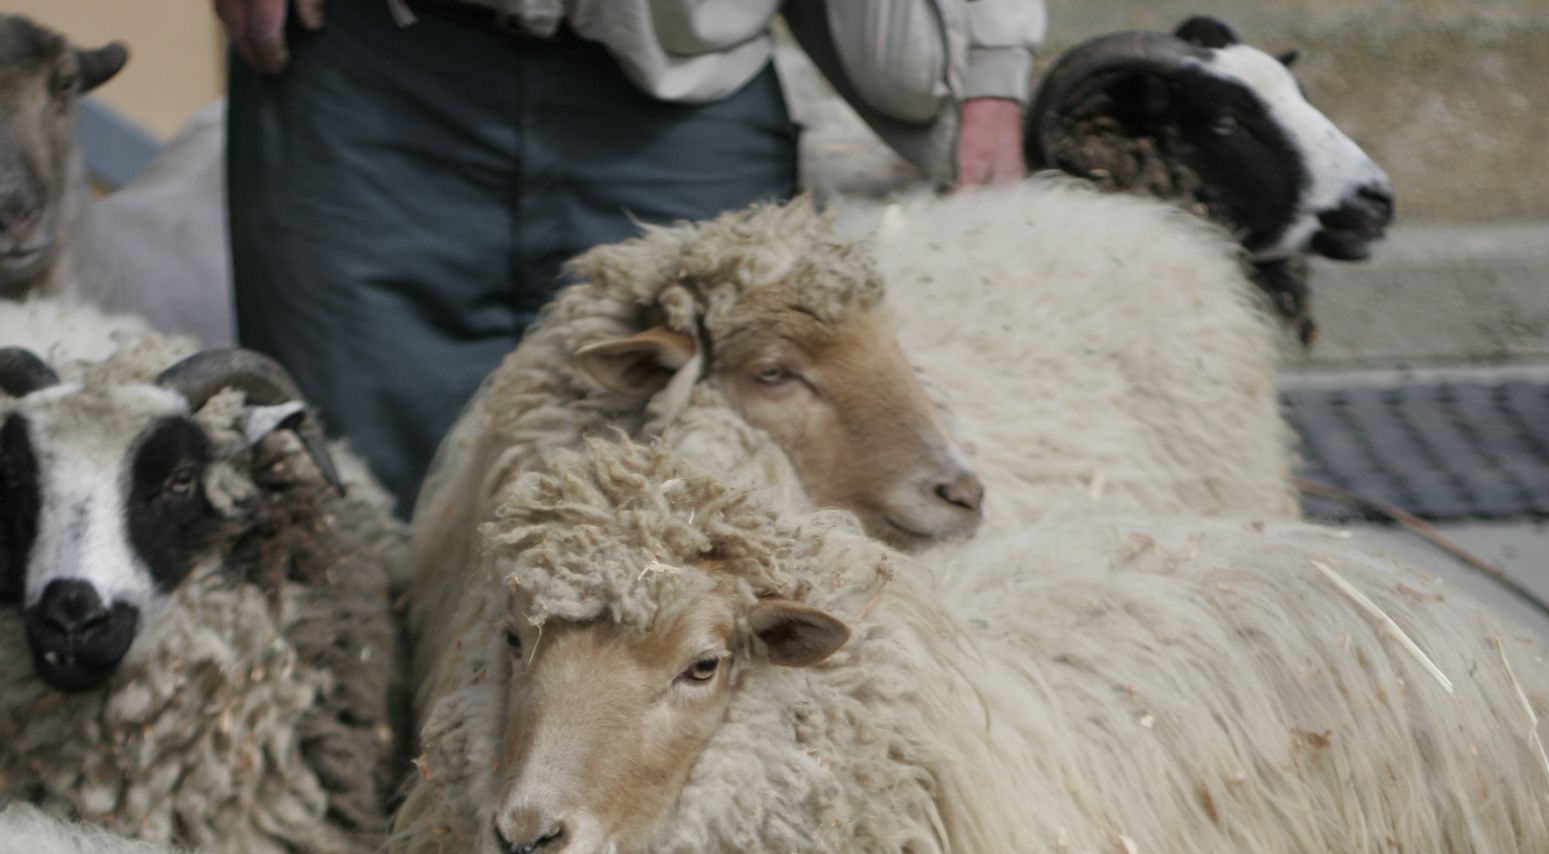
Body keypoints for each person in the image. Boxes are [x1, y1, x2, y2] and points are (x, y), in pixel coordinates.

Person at [218, 0, 1044, 512]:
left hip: (689, 92)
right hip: (370, 69)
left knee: (691, 514)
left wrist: (986, 60)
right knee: (344, 500)